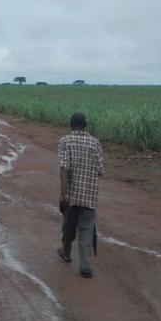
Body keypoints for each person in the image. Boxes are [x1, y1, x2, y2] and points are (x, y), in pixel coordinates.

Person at [57, 112, 104, 278]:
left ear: (71, 124)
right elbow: (100, 169)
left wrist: (63, 193)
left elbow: (64, 168)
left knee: (68, 225)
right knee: (87, 229)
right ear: (85, 125)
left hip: (71, 193)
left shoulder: (65, 140)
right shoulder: (95, 142)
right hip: (89, 194)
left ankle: (66, 252)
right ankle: (85, 266)